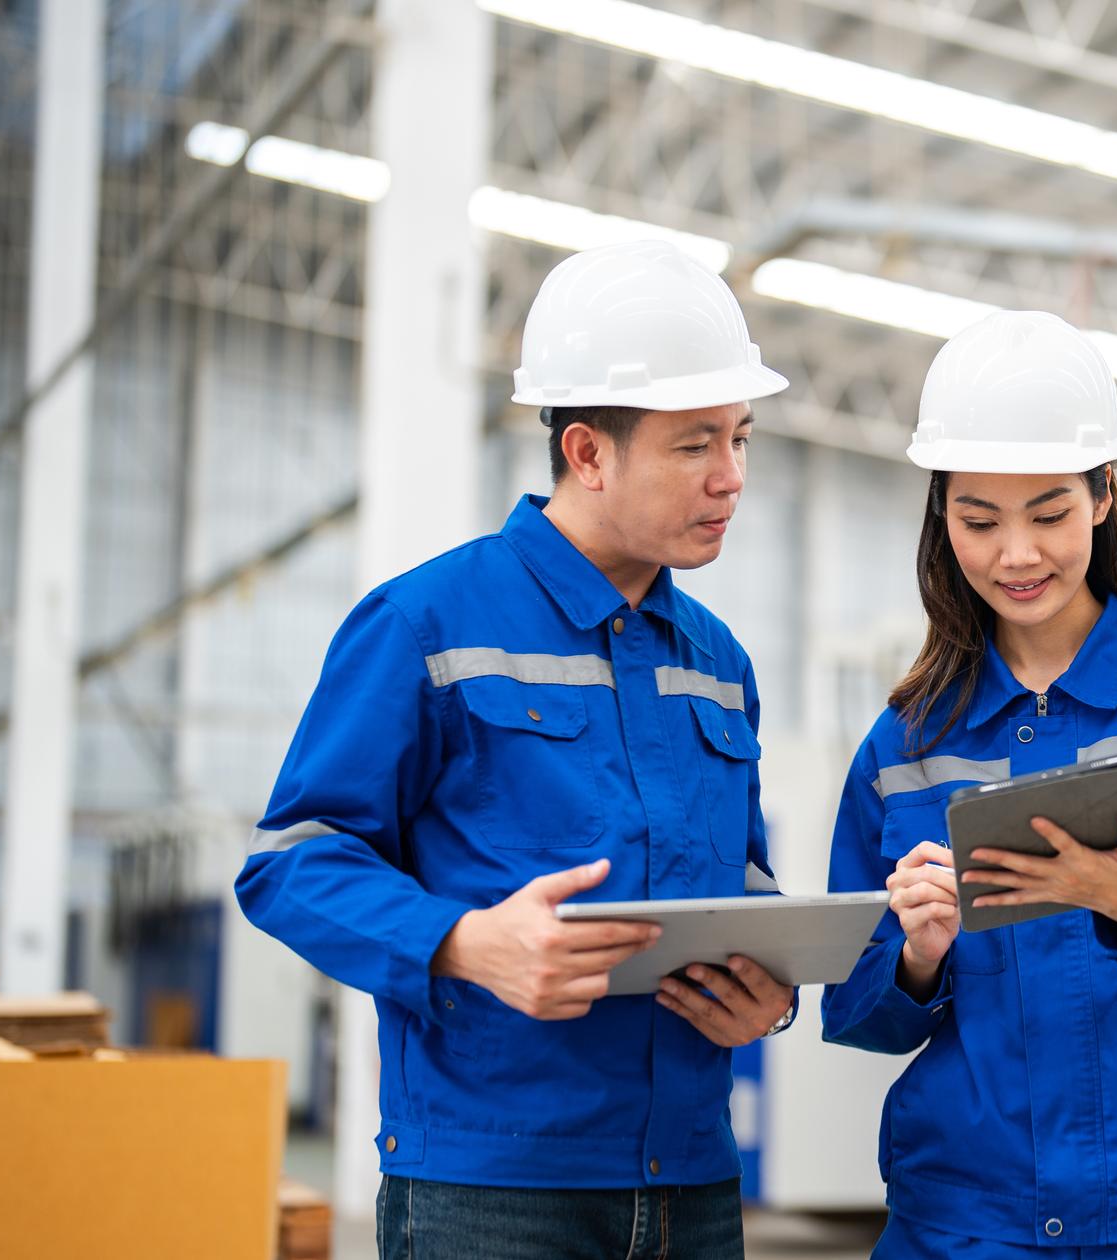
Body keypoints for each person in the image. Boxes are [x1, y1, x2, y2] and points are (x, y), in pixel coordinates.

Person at [237, 239, 795, 1259]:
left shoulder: (718, 662)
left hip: (695, 1186)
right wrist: (461, 942)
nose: (731, 478)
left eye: (740, 438)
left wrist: (769, 989)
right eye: (694, 446)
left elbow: (743, 880)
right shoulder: (424, 624)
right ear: (588, 452)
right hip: (492, 1196)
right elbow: (291, 863)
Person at [821, 310, 1117, 1258]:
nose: (1017, 555)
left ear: (1101, 496)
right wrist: (917, 956)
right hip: (968, 1226)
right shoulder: (907, 742)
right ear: (942, 515)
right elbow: (854, 1010)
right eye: (979, 521)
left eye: (1048, 514)